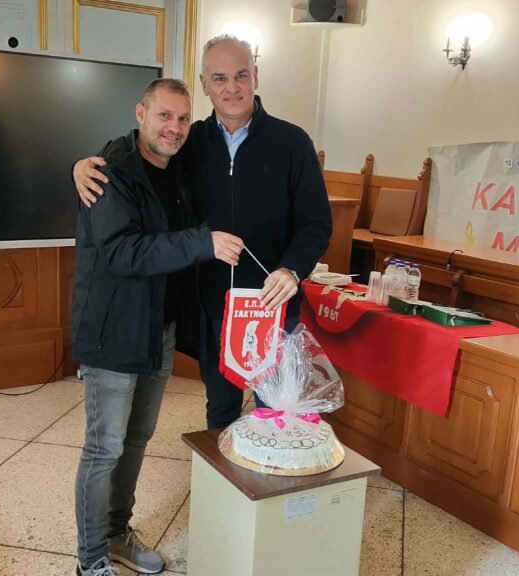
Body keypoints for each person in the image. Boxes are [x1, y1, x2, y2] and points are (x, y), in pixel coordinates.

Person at [74, 35, 332, 430]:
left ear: (256, 77)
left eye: (241, 75)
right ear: (205, 84)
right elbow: (137, 162)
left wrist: (292, 269)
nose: (232, 88)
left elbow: (316, 222)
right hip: (213, 308)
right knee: (221, 414)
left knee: (278, 416)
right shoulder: (188, 141)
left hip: (273, 307)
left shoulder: (293, 143)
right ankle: (223, 472)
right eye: (219, 78)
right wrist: (81, 167)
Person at [71, 78, 245, 576]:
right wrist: (203, 242)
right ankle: (90, 560)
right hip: (113, 332)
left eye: (183, 118)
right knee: (104, 447)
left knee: (137, 438)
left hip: (158, 330)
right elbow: (122, 252)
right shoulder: (110, 172)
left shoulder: (180, 166)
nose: (174, 127)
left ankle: (116, 533)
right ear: (141, 113)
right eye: (164, 115)